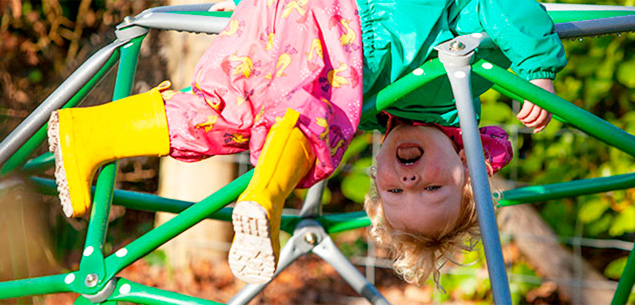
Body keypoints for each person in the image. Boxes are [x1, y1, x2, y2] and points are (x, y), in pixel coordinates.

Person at [46, 0, 566, 288]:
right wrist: (538, 69)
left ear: (377, 183)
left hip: (289, 23)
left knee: (223, 115)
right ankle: (265, 198)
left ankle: (93, 133)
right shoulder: (468, 76)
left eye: (398, 195)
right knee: (325, 116)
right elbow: (503, 5)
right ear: (468, 167)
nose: (410, 181)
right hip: (340, 14)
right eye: (433, 189)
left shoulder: (378, 112)